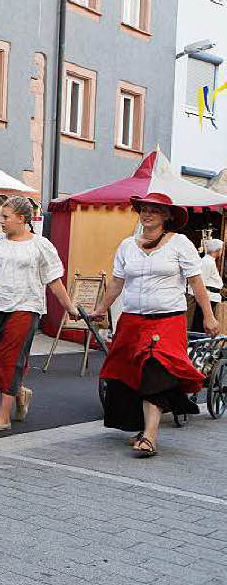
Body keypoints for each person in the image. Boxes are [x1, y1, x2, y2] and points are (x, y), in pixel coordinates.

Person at [90, 192, 218, 457]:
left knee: (154, 368)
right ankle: (140, 428)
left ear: (167, 216)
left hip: (167, 320)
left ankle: (150, 436)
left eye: (155, 210)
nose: (147, 214)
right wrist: (100, 309)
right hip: (133, 320)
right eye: (144, 209)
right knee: (128, 374)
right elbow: (117, 283)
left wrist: (209, 315)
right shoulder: (127, 245)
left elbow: (196, 282)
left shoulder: (179, 243)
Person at [0, 196, 78, 432]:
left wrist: (69, 307)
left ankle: (3, 417)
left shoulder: (40, 245)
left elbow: (54, 281)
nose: (0, 221)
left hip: (26, 307)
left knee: (9, 360)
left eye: (5, 217)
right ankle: (20, 392)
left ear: (21, 219)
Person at [188, 238, 223, 333]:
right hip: (207, 297)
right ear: (218, 250)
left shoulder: (210, 261)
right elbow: (200, 281)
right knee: (201, 326)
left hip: (212, 297)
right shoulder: (207, 262)